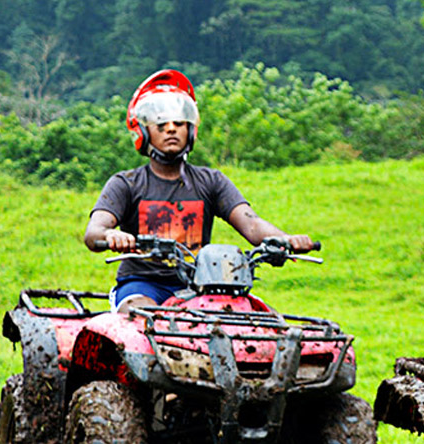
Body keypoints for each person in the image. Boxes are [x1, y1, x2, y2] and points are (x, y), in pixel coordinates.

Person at [84, 69, 318, 311]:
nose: (171, 129)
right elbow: (94, 232)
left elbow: (251, 223)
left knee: (252, 323)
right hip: (142, 285)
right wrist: (111, 236)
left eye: (179, 123)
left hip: (201, 287)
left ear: (191, 130)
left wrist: (285, 239)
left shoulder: (211, 181)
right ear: (143, 132)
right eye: (162, 124)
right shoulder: (126, 183)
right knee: (141, 318)